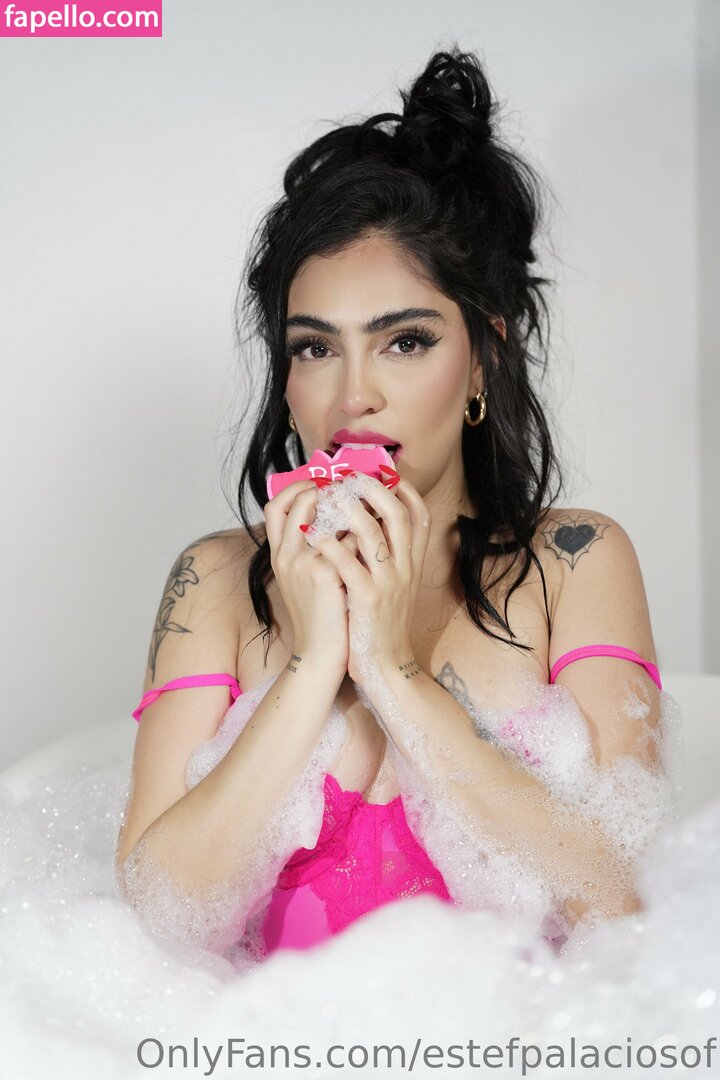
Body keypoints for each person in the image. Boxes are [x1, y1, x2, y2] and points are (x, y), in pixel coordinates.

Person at [116, 45, 664, 959]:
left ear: (484, 358)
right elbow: (153, 923)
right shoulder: (213, 581)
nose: (353, 396)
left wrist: (393, 671)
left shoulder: (574, 563)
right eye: (315, 348)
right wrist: (311, 665)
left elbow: (622, 905)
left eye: (404, 341)